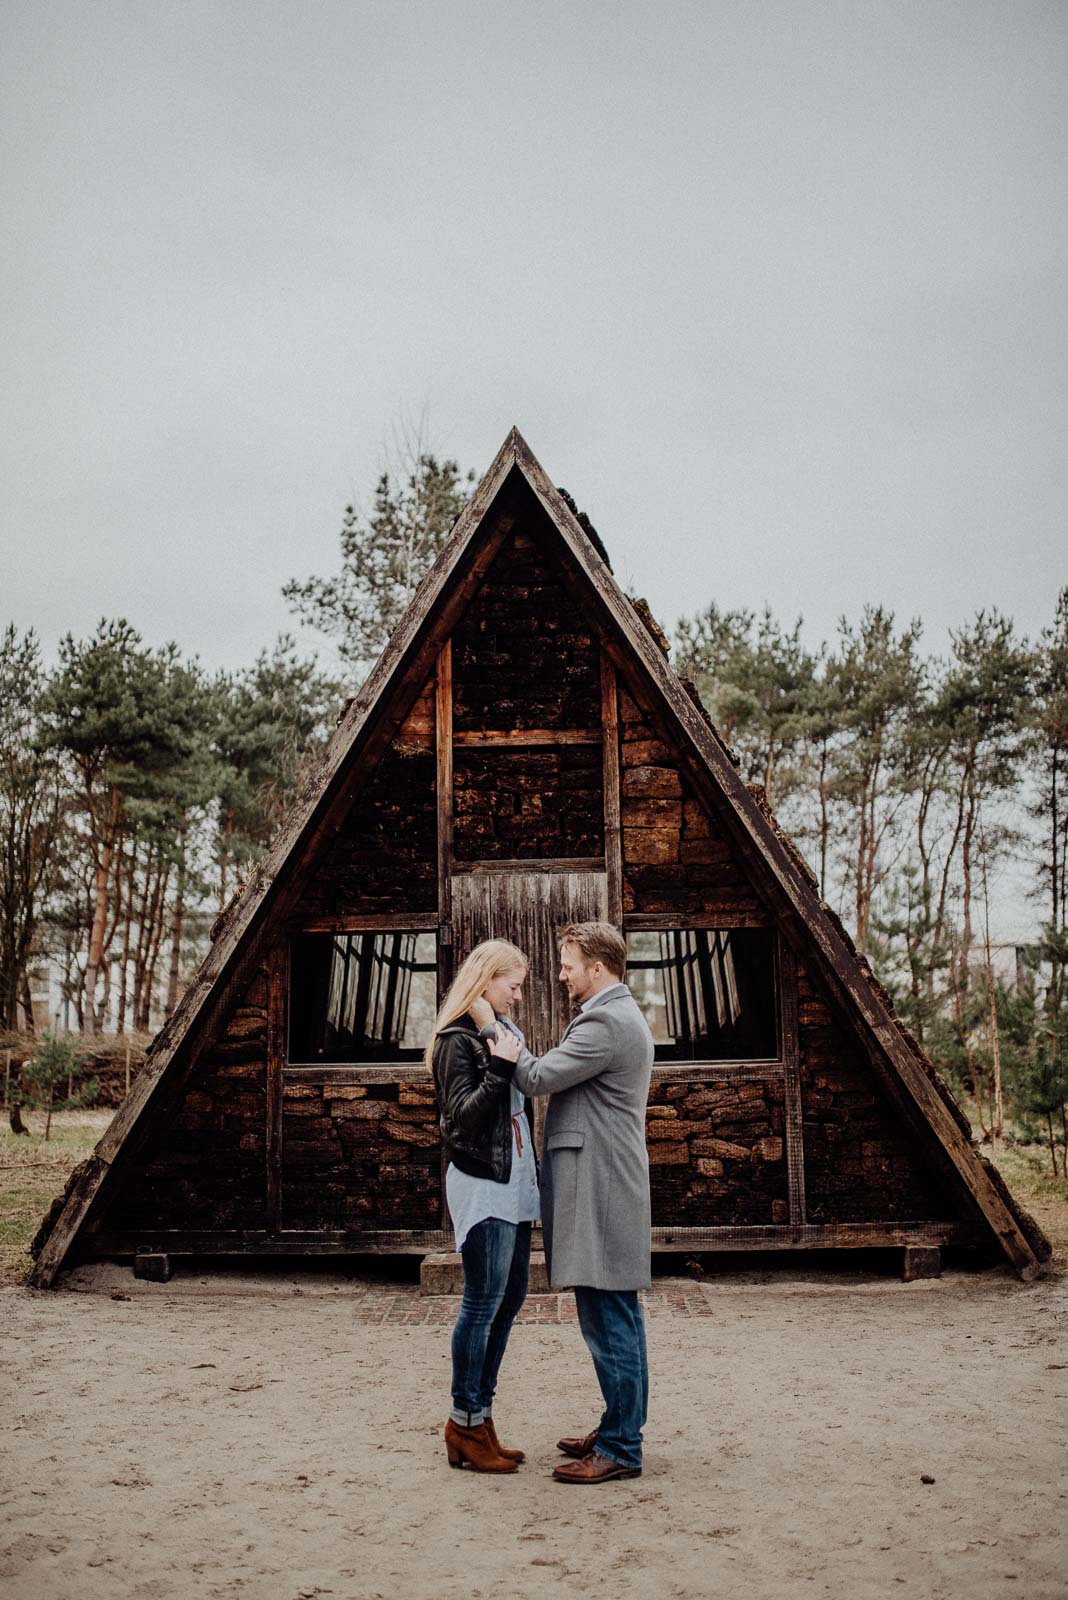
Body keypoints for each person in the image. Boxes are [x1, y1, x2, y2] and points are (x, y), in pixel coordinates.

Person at [476, 920, 655, 1484]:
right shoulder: (613, 1016)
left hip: (601, 1188)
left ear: (597, 969)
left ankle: (623, 1448)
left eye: (568, 965)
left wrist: (491, 1022)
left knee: (609, 1319)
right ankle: (618, 1426)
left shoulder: (605, 1022)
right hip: (605, 1183)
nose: (561, 974)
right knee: (615, 1314)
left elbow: (532, 1077)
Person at [428, 938, 538, 1473]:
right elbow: (460, 1120)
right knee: (482, 1301)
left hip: (515, 1178)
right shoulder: (455, 1041)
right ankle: (463, 1421)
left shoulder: (504, 1032)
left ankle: (482, 1417)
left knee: (511, 1296)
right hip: (482, 1180)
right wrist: (496, 1065)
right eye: (511, 985)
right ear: (486, 980)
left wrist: (497, 1037)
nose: (517, 996)